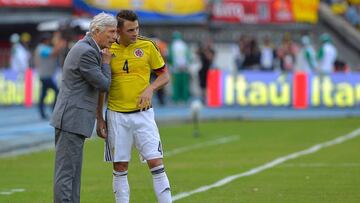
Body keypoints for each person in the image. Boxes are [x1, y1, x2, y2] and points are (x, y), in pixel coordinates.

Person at [96, 10, 172, 203]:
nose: (135, 33)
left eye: (137, 28)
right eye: (130, 30)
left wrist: (150, 88)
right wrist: (99, 117)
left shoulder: (147, 46)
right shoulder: (106, 50)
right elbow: (101, 86)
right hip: (116, 116)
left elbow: (164, 75)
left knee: (156, 162)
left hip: (143, 115)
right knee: (120, 167)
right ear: (118, 31)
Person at [50, 13, 117, 203]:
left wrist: (98, 118)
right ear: (97, 31)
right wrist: (106, 63)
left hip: (74, 118)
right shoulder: (86, 52)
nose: (114, 37)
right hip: (72, 118)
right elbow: (104, 84)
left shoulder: (87, 48)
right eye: (111, 32)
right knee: (67, 174)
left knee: (73, 174)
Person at [34, 33, 65, 119]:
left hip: (45, 75)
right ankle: (53, 109)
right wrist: (60, 42)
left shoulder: (42, 48)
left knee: (43, 94)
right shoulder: (41, 48)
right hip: (45, 75)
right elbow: (53, 53)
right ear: (45, 40)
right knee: (57, 91)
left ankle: (42, 113)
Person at [168, 31, 191, 104]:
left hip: (175, 69)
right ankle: (185, 99)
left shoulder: (172, 46)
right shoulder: (184, 45)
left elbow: (170, 58)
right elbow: (189, 57)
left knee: (176, 85)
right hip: (184, 68)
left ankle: (176, 99)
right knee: (184, 85)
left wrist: (172, 66)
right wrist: (186, 65)